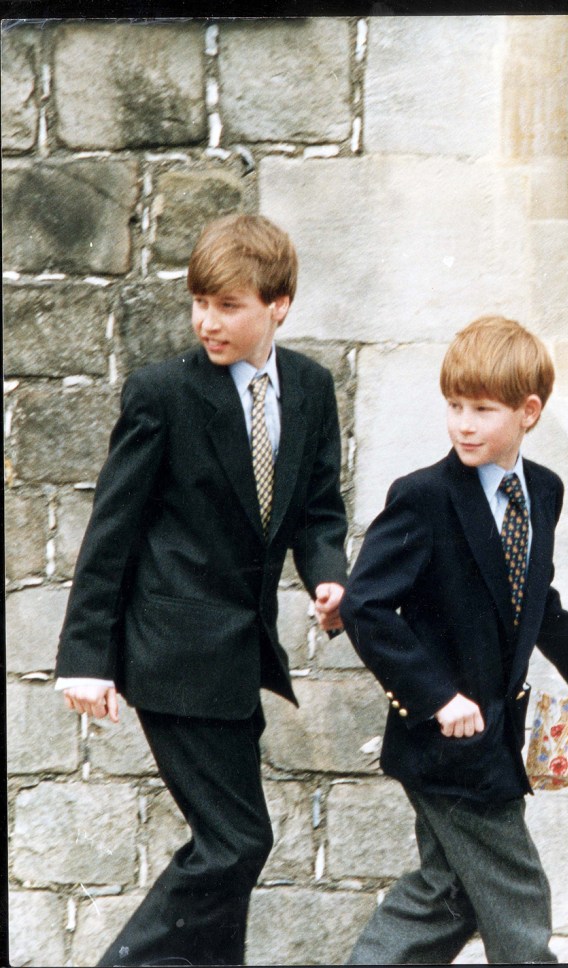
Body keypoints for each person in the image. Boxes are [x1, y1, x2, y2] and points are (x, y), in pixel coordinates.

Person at [55, 214, 348, 967]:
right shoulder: (163, 394)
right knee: (238, 841)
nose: (206, 321)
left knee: (230, 853)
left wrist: (328, 577)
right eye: (198, 302)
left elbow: (316, 512)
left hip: (239, 660)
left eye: (227, 306)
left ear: (278, 305)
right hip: (171, 655)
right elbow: (111, 531)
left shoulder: (311, 389)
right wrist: (87, 656)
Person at [339, 315, 568, 965]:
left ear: (528, 412)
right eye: (454, 406)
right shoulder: (423, 496)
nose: (463, 424)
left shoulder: (545, 493)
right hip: (446, 740)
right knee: (518, 896)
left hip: (498, 736)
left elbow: (538, 601)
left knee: (447, 894)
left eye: (482, 409)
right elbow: (366, 606)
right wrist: (440, 697)